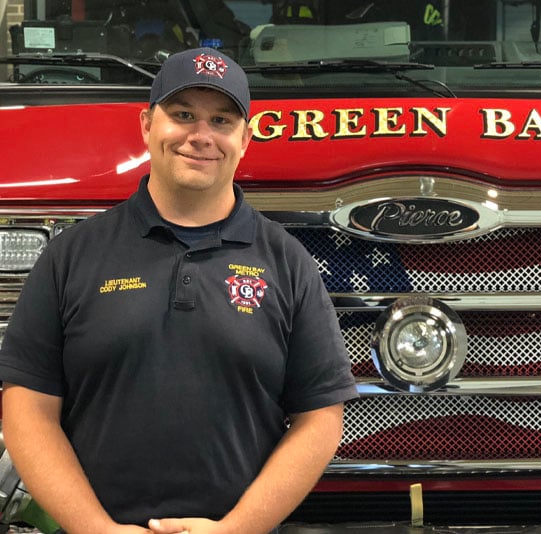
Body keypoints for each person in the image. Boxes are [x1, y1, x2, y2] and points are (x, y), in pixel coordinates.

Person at [0, 47, 358, 533]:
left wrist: (236, 530)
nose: (201, 136)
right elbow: (27, 406)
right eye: (183, 114)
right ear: (147, 125)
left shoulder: (287, 261)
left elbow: (320, 417)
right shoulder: (71, 255)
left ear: (245, 139)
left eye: (222, 120)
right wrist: (96, 529)